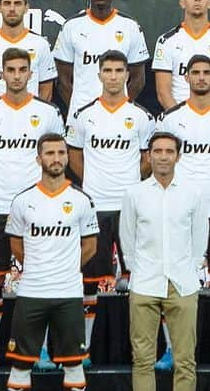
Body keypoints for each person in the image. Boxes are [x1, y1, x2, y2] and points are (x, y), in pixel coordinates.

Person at [0, 134, 99, 391]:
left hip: (68, 293)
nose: (56, 158)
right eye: (49, 153)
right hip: (31, 293)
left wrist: (65, 268)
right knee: (21, 364)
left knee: (74, 364)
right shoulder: (23, 201)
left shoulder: (81, 200)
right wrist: (40, 267)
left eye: (61, 153)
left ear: (67, 158)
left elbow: (90, 246)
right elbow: (15, 244)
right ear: (38, 159)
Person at [0, 48, 64, 371]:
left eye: (22, 69)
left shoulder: (48, 113)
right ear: (2, 73)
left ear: (30, 73)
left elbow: (56, 159)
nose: (16, 75)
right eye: (10, 69)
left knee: (39, 279)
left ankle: (38, 351)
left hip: (38, 207)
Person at [120, 131, 208, 391]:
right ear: (149, 155)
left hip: (182, 283)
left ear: (178, 156)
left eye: (169, 151)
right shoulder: (135, 194)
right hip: (144, 282)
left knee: (185, 360)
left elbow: (200, 237)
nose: (163, 156)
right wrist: (137, 270)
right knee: (142, 360)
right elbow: (127, 238)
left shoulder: (194, 194)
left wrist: (191, 269)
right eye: (157, 151)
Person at [65, 51, 153, 349]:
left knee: (139, 282)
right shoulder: (84, 115)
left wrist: (129, 185)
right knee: (91, 281)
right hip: (95, 207)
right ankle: (85, 346)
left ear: (128, 75)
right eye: (108, 70)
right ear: (99, 75)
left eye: (119, 70)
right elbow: (74, 156)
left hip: (130, 208)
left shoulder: (141, 117)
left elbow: (147, 159)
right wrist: (94, 182)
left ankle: (142, 347)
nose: (113, 76)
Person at [154, 54, 210, 370]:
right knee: (173, 285)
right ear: (186, 78)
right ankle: (172, 349)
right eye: (196, 73)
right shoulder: (172, 120)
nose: (202, 78)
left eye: (207, 72)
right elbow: (160, 166)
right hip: (182, 213)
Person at [53, 0, 148, 115]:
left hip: (119, 115)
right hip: (80, 114)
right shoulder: (71, 26)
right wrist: (79, 110)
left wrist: (119, 107)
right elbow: (62, 81)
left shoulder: (130, 26)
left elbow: (138, 80)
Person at [153, 0, 210, 111]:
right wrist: (180, 119)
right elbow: (163, 93)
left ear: (209, 3)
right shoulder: (166, 41)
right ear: (182, 3)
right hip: (179, 120)